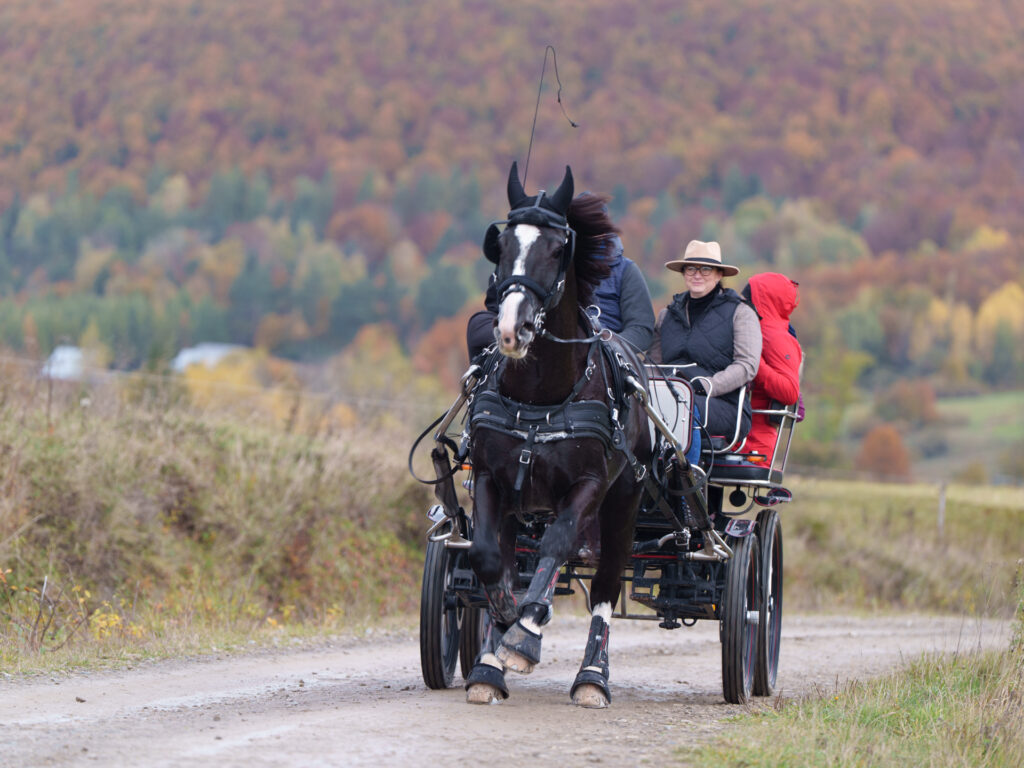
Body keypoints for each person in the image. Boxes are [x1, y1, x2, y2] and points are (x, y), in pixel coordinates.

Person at [466, 195, 654, 361]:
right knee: (478, 325)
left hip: (604, 358)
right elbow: (496, 305)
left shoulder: (626, 270)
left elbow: (641, 328)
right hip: (542, 341)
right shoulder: (549, 264)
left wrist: (606, 345)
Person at [649, 240, 761, 447]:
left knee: (682, 408)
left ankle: (686, 475)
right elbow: (655, 365)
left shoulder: (741, 313)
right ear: (683, 273)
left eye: (706, 269)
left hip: (723, 404)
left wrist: (709, 385)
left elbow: (747, 366)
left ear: (719, 275)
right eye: (691, 268)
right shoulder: (667, 315)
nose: (697, 274)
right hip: (669, 396)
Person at [741, 273, 802, 459]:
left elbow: (790, 391)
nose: (742, 303)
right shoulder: (754, 332)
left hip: (755, 444)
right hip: (740, 436)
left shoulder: (777, 339)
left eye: (747, 299)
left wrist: (753, 363)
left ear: (761, 301)